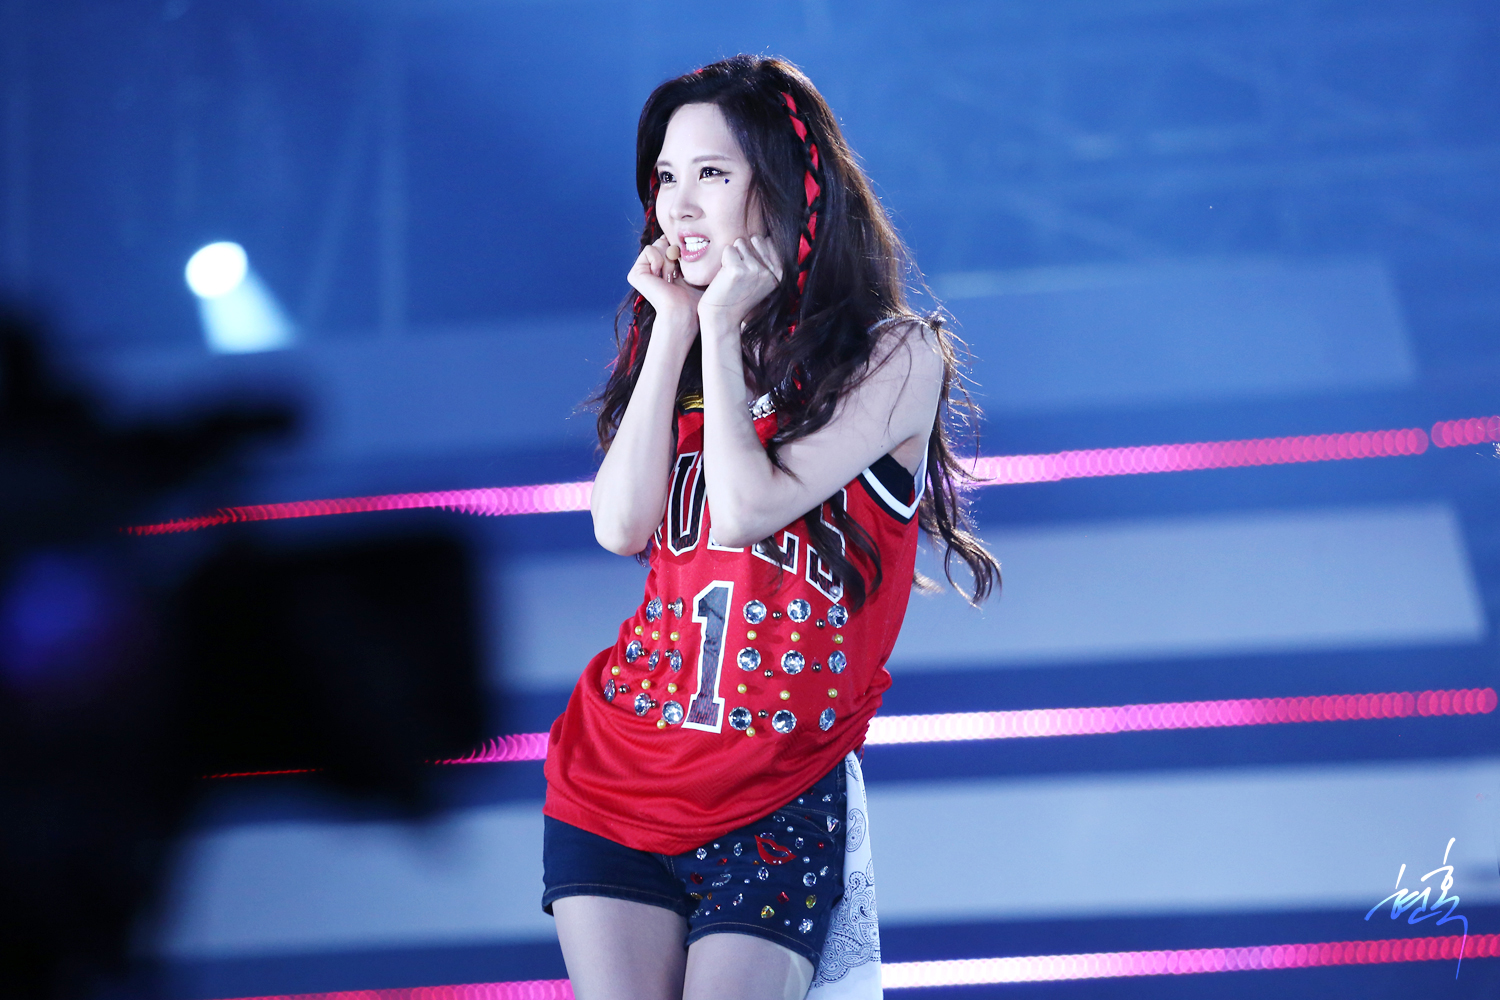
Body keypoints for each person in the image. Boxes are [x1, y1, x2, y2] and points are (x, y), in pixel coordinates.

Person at [541, 55, 999, 1000]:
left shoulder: (893, 355)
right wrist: (675, 326)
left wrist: (719, 328)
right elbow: (619, 525)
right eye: (666, 177)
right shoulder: (676, 347)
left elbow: (747, 508)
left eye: (712, 173)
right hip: (618, 773)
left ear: (785, 186)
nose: (678, 206)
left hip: (776, 790)